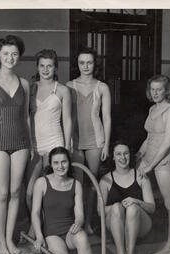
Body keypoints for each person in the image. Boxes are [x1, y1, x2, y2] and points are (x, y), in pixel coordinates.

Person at [32, 147, 102, 254]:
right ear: (51, 164)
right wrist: (39, 237)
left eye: (63, 162)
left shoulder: (75, 184)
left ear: (69, 162)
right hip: (52, 234)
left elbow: (79, 213)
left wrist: (78, 222)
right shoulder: (42, 183)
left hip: (69, 231)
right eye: (56, 162)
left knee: (82, 237)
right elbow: (35, 213)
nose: (60, 166)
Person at [0, 35, 33, 254]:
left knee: (15, 192)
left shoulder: (24, 84)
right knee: (1, 193)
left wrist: (30, 145)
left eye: (14, 54)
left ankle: (10, 239)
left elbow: (26, 117)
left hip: (21, 142)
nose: (10, 58)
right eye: (6, 54)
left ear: (19, 56)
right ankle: (1, 243)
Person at [67, 47, 111, 234]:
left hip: (95, 140)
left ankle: (89, 223)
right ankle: (78, 220)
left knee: (92, 183)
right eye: (82, 62)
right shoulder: (69, 86)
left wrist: (106, 144)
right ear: (77, 64)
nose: (86, 66)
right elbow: (65, 116)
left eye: (89, 62)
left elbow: (107, 117)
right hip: (75, 140)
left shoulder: (102, 87)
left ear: (95, 64)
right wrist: (67, 140)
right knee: (77, 183)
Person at [137, 74, 170, 254]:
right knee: (142, 199)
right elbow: (149, 138)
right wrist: (138, 156)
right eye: (152, 89)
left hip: (164, 161)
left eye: (159, 89)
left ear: (167, 90)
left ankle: (169, 247)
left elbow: (166, 143)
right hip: (148, 159)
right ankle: (138, 234)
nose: (155, 93)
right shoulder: (152, 109)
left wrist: (150, 165)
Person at [99, 140, 155, 254]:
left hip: (140, 225)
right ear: (113, 156)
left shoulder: (141, 176)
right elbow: (100, 212)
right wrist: (118, 206)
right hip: (116, 223)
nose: (122, 158)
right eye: (118, 154)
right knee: (117, 207)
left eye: (126, 153)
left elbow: (152, 208)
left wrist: (136, 202)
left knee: (132, 208)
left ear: (130, 155)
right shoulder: (106, 180)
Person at [26, 49, 72, 217]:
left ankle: (50, 228)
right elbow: (26, 119)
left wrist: (66, 147)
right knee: (30, 193)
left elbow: (67, 120)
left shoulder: (62, 90)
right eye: (42, 66)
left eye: (50, 66)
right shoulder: (30, 89)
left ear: (56, 68)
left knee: (52, 192)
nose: (46, 70)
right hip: (35, 146)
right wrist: (29, 146)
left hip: (55, 143)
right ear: (37, 67)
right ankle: (35, 225)